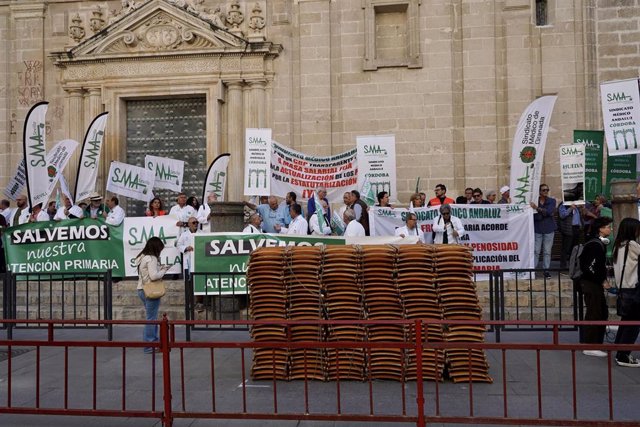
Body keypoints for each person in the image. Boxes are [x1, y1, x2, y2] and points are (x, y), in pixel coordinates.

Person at [579, 216, 612, 357]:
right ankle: (590, 345)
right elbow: (591, 266)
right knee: (594, 312)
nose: (610, 229)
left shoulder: (598, 244)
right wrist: (601, 280)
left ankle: (596, 343)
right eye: (608, 227)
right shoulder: (594, 245)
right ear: (601, 229)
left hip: (594, 283)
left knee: (601, 311)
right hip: (591, 284)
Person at [612, 217, 640, 367]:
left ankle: (619, 350)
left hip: (623, 289)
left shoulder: (618, 245)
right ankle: (623, 355)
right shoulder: (633, 245)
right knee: (633, 324)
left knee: (626, 321)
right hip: (633, 289)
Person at [135, 236, 170, 354]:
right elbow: (154, 276)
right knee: (151, 319)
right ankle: (150, 345)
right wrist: (164, 270)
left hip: (141, 289)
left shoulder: (143, 257)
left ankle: (152, 342)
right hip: (150, 290)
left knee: (150, 318)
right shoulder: (152, 258)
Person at [530, 184, 557, 278]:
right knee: (536, 250)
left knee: (547, 251)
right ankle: (533, 270)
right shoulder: (534, 201)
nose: (546, 191)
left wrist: (537, 208)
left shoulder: (552, 201)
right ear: (539, 191)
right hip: (538, 228)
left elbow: (549, 212)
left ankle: (546, 270)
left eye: (547, 190)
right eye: (544, 190)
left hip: (549, 229)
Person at [558, 202, 582, 269]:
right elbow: (562, 215)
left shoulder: (577, 204)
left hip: (576, 228)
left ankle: (573, 266)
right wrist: (570, 208)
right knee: (566, 248)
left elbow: (578, 217)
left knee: (575, 249)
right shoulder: (563, 205)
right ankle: (563, 267)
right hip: (568, 229)